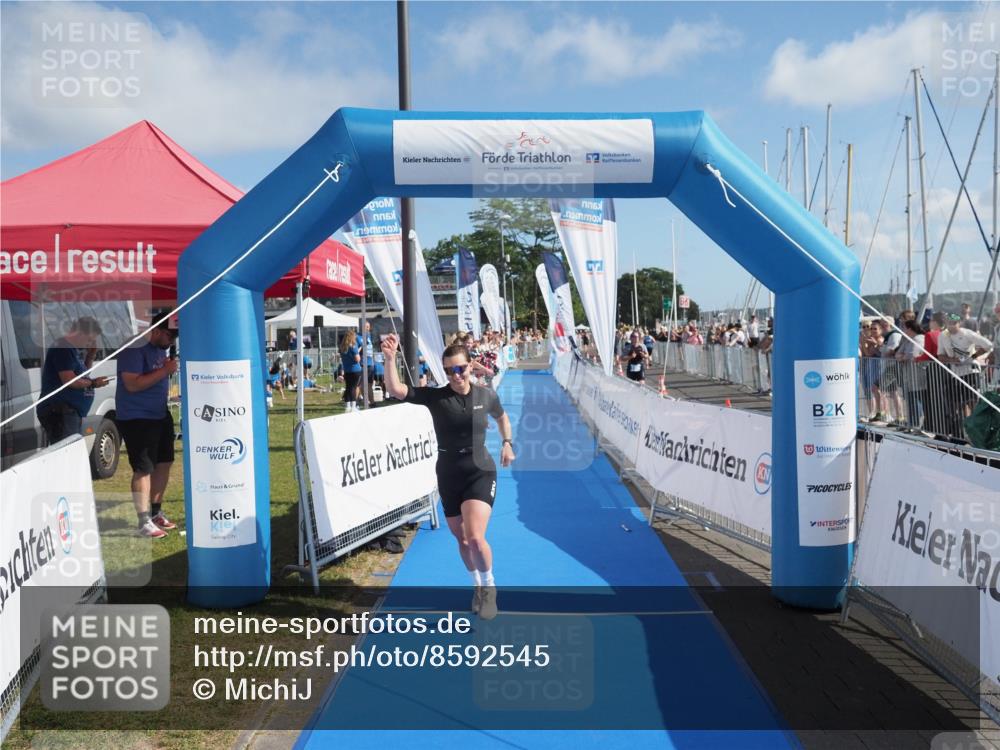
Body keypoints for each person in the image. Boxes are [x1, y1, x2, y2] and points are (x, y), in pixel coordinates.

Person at [381, 333, 514, 620]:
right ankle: (477, 586)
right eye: (450, 370)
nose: (456, 375)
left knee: (476, 537)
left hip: (480, 470)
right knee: (463, 540)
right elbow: (395, 389)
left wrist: (507, 443)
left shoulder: (485, 395)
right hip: (448, 473)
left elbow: (502, 418)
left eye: (461, 368)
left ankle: (490, 588)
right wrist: (390, 359)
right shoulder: (437, 397)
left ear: (470, 366)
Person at [116, 312, 179, 538]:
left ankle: (155, 512)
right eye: (170, 337)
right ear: (157, 330)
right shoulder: (134, 347)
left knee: (164, 462)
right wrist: (164, 370)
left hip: (159, 413)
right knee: (143, 468)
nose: (171, 342)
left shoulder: (160, 348)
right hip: (137, 417)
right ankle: (143, 521)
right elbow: (132, 384)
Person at [37, 316, 110, 445]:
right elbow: (70, 380)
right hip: (61, 411)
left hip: (70, 412)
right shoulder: (63, 348)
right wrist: (93, 383)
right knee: (66, 451)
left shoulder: (73, 349)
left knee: (71, 450)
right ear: (80, 333)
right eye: (89, 340)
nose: (90, 344)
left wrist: (91, 355)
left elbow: (83, 376)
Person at [339, 330, 363, 412]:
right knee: (353, 387)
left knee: (348, 387)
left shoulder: (342, 347)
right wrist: (358, 354)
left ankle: (347, 406)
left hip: (347, 370)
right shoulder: (353, 345)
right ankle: (353, 406)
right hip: (355, 370)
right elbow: (357, 359)